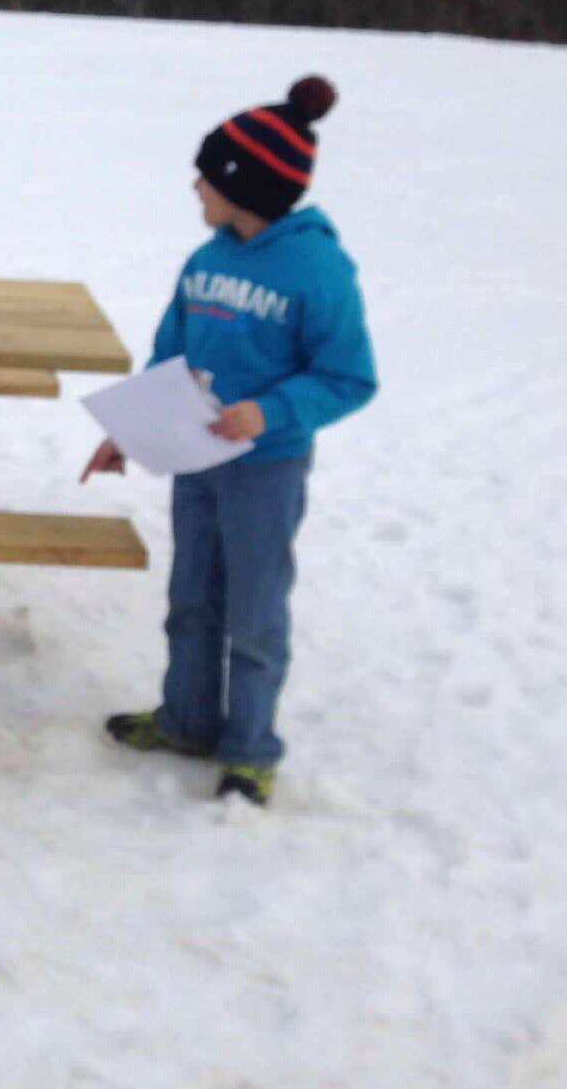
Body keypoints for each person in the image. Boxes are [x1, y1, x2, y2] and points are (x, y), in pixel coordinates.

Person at [82, 75, 377, 806]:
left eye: (208, 176)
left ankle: (249, 750)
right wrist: (129, 430)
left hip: (264, 472)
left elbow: (348, 377)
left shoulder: (317, 270)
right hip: (195, 461)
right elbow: (171, 355)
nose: (196, 187)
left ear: (245, 184)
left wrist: (270, 412)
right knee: (190, 599)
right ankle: (186, 720)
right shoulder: (206, 260)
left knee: (253, 613)